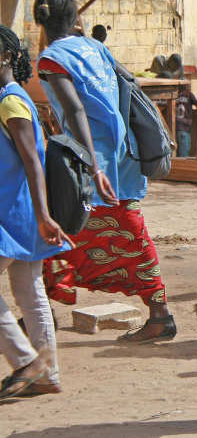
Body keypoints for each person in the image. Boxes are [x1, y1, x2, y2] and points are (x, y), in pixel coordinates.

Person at [34, 0, 176, 343]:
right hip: (121, 151)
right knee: (117, 226)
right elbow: (125, 88)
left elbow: (75, 110)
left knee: (56, 225)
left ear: (41, 22)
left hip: (86, 159)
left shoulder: (52, 59)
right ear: (75, 20)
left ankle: (42, 311)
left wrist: (93, 166)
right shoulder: (95, 48)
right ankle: (41, 310)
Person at [0, 26, 71, 400]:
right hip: (22, 211)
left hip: (13, 214)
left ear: (6, 57)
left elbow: (32, 160)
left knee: (30, 291)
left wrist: (44, 215)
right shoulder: (11, 98)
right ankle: (47, 374)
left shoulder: (10, 101)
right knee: (29, 291)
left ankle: (27, 362)